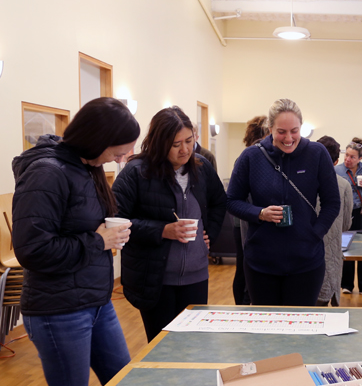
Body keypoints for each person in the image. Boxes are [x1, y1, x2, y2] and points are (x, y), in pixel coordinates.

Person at [11, 97, 140, 386]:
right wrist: (98, 242)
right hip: (58, 310)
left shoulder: (87, 166)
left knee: (122, 381)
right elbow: (32, 250)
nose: (121, 158)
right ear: (98, 138)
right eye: (118, 151)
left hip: (96, 302)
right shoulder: (46, 173)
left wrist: (108, 237)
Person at [113, 107, 226, 342]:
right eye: (176, 144)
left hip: (196, 276)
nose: (185, 149)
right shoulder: (136, 172)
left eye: (189, 140)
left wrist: (210, 234)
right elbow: (117, 221)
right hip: (155, 278)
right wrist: (162, 230)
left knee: (194, 346)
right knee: (161, 347)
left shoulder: (202, 167)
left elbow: (219, 202)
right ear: (159, 142)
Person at [226, 98, 341, 306]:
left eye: (294, 131)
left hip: (307, 262)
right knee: (267, 330)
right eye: (281, 131)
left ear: (301, 128)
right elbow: (232, 200)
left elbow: (332, 203)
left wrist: (314, 233)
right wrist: (260, 213)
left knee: (301, 330)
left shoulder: (317, 154)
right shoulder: (251, 157)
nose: (288, 138)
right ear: (270, 129)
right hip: (261, 263)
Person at [232, 115, 269, 305]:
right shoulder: (251, 156)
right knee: (246, 267)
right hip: (247, 220)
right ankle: (244, 307)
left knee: (243, 266)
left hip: (246, 220)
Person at [317, 135, 353, 306]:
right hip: (332, 252)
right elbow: (346, 224)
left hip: (305, 253)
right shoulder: (344, 185)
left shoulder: (301, 181)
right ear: (337, 160)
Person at [336, 137, 362, 295]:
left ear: (360, 158)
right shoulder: (337, 170)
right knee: (346, 248)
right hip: (345, 212)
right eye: (346, 155)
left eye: (352, 157)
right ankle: (346, 285)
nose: (348, 159)